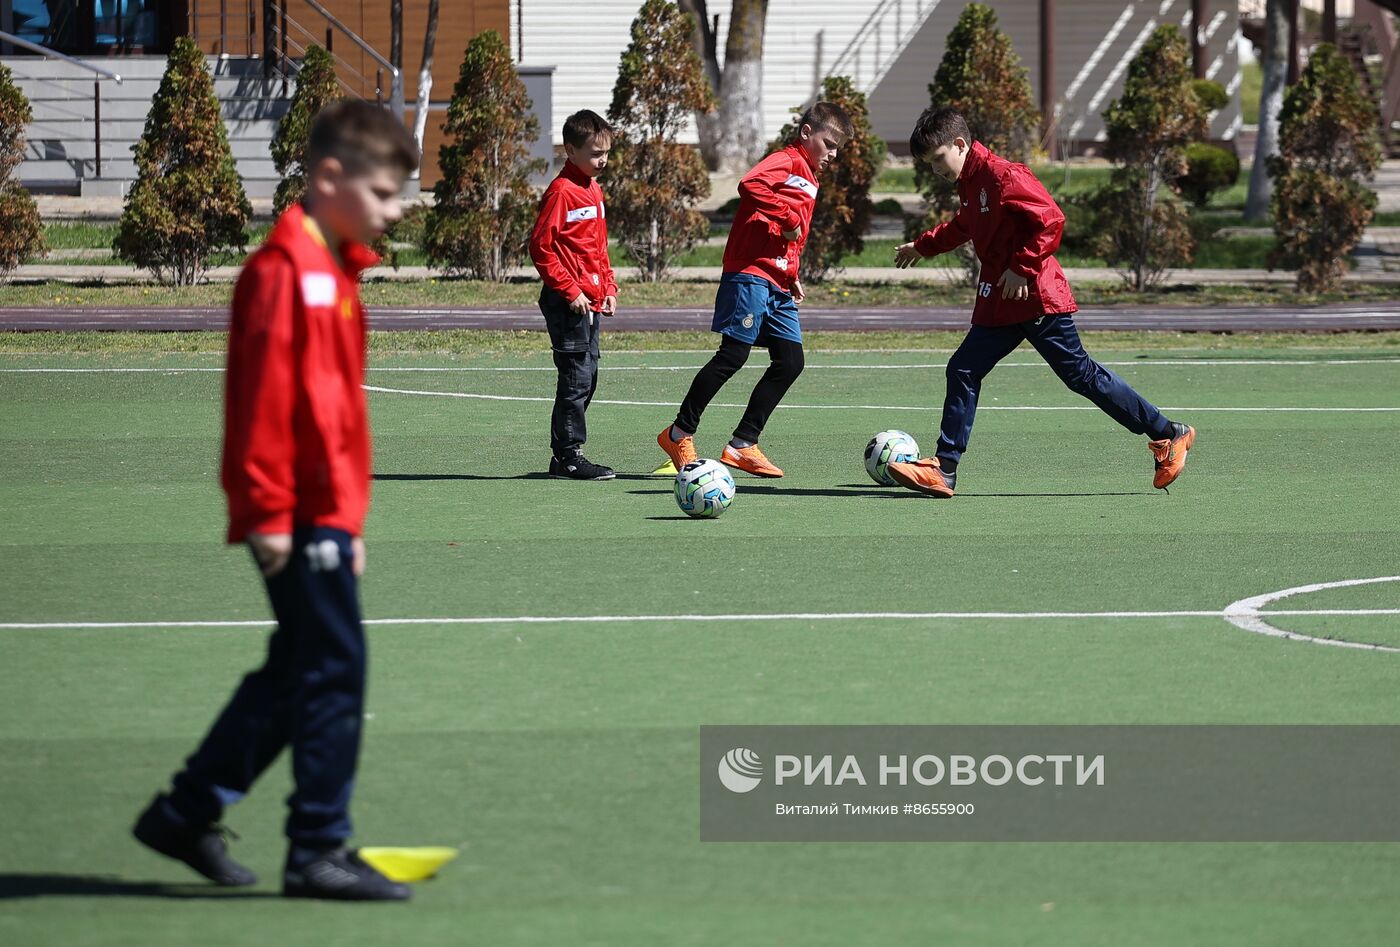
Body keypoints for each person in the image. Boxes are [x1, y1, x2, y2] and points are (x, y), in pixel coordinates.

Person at [132, 100, 418, 902]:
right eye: (385, 194)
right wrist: (267, 514)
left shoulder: (334, 267)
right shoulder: (283, 271)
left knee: (298, 668)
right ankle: (318, 846)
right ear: (330, 178)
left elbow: (334, 409)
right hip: (292, 510)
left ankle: (183, 813)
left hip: (325, 511)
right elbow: (258, 403)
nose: (394, 212)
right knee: (335, 670)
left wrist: (348, 520)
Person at [887, 107, 1196, 498]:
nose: (935, 170)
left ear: (960, 144)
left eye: (937, 160)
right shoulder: (970, 181)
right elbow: (965, 226)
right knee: (963, 369)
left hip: (1035, 298)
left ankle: (1170, 434)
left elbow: (1051, 219)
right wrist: (923, 245)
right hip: (1001, 302)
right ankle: (944, 469)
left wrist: (1022, 267)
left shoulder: (1004, 175)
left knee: (1081, 377)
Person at [656, 102, 853, 478]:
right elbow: (750, 185)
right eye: (828, 143)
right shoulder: (787, 160)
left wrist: (791, 269)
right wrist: (789, 217)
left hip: (777, 281)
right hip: (748, 275)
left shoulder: (811, 176)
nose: (833, 153)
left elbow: (789, 235)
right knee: (733, 356)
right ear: (806, 133)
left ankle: (743, 443)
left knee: (791, 362)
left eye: (838, 148)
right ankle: (678, 433)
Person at [530, 109, 619, 480]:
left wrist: (609, 285)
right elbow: (541, 247)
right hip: (568, 302)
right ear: (570, 150)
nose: (603, 161)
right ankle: (567, 456)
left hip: (591, 301)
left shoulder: (593, 189)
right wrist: (569, 290)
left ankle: (568, 453)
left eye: (606, 153)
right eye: (595, 154)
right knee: (575, 378)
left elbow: (596, 248)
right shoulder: (562, 191)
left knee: (589, 376)